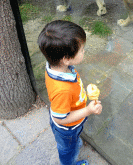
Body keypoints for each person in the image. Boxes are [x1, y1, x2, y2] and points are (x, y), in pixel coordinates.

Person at [38, 20, 102, 165]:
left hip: (69, 118)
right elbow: (61, 118)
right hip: (67, 129)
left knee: (72, 143)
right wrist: (88, 110)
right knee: (68, 151)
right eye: (81, 49)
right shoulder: (62, 90)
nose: (84, 51)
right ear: (66, 59)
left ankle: (74, 143)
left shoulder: (54, 65)